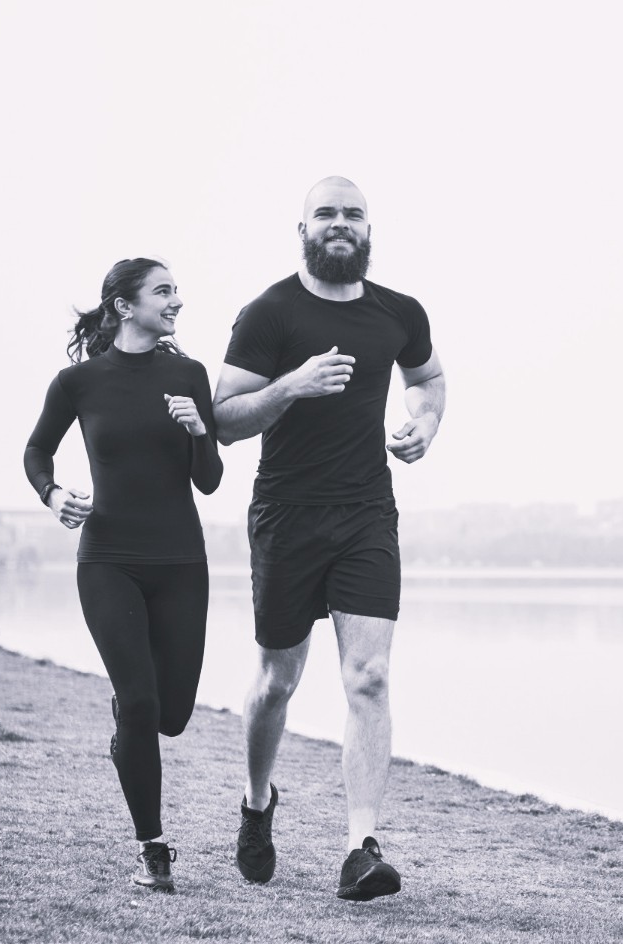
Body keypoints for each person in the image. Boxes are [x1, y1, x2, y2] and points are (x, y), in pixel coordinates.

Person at [213, 176, 445, 900]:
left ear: (369, 229)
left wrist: (426, 422)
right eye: (326, 213)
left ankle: (360, 848)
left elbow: (429, 378)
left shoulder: (398, 313)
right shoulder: (270, 312)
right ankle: (257, 804)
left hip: (367, 513)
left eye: (352, 214)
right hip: (286, 513)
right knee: (278, 679)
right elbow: (223, 417)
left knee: (368, 677)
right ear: (303, 228)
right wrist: (292, 386)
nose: (339, 224)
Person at [23, 258, 223, 893]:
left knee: (172, 715)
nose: (177, 303)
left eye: (176, 292)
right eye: (164, 292)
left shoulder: (188, 374)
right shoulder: (77, 383)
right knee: (140, 703)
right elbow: (36, 451)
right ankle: (153, 848)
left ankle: (130, 727)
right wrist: (54, 496)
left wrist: (198, 430)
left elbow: (210, 480)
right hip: (107, 560)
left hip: (182, 563)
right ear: (123, 306)